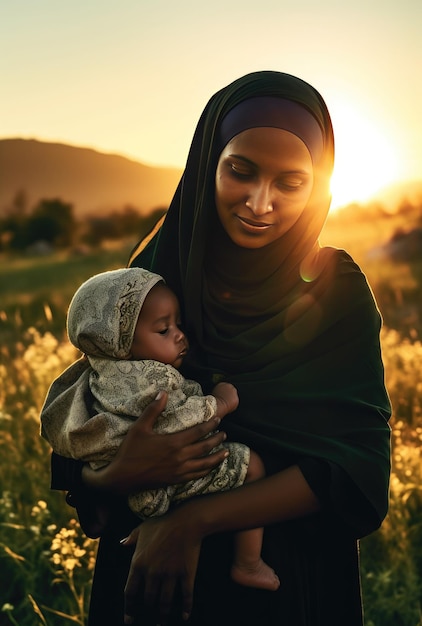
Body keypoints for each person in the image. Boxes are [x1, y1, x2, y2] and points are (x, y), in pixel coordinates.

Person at [40, 70, 391, 626]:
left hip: (284, 583)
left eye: (290, 183)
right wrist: (118, 475)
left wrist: (187, 522)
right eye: (240, 171)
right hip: (150, 586)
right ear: (209, 162)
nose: (260, 203)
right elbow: (87, 428)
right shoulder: (154, 275)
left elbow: (355, 467)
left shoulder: (334, 288)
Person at [41, 266, 279, 591]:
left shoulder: (99, 375)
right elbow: (176, 422)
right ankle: (248, 562)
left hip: (134, 489)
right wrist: (219, 403)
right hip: (169, 478)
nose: (180, 335)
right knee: (253, 466)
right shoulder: (152, 379)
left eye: (178, 325)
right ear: (122, 341)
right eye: (163, 330)